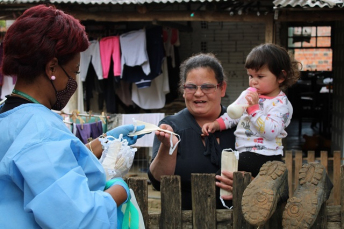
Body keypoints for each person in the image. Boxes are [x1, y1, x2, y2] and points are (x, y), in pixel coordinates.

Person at [0, 5, 144, 228]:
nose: (74, 82)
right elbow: (78, 219)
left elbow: (47, 165)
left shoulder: (9, 115)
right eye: (75, 71)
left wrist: (105, 141)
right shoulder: (41, 130)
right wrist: (118, 191)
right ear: (52, 69)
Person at [147, 53, 236, 210]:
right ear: (183, 90)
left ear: (222, 88)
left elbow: (265, 171)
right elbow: (158, 181)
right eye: (191, 87)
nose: (198, 93)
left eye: (207, 87)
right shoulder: (171, 126)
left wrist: (248, 182)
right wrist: (168, 147)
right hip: (182, 221)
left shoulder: (241, 126)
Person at [202, 43, 300, 178]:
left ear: (281, 77)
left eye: (260, 76)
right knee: (228, 180)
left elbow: (271, 131)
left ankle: (220, 198)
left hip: (266, 156)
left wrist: (254, 110)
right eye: (250, 76)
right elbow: (234, 114)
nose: (253, 81)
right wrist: (216, 124)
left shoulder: (281, 104)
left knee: (221, 177)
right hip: (245, 153)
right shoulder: (248, 94)